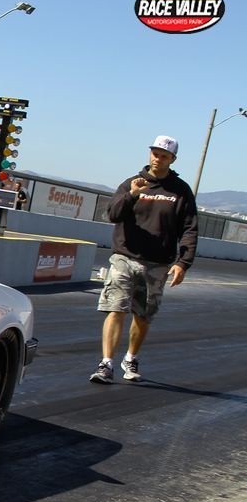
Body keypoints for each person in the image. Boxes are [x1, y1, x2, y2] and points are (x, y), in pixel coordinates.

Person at [89, 135, 198, 384]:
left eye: (164, 156)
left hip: (158, 263)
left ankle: (130, 357)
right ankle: (106, 364)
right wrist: (132, 195)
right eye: (155, 153)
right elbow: (113, 214)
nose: (158, 159)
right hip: (124, 257)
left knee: (143, 315)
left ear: (172, 159)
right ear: (150, 154)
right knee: (115, 308)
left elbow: (190, 228)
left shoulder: (181, 191)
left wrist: (183, 263)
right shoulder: (131, 183)